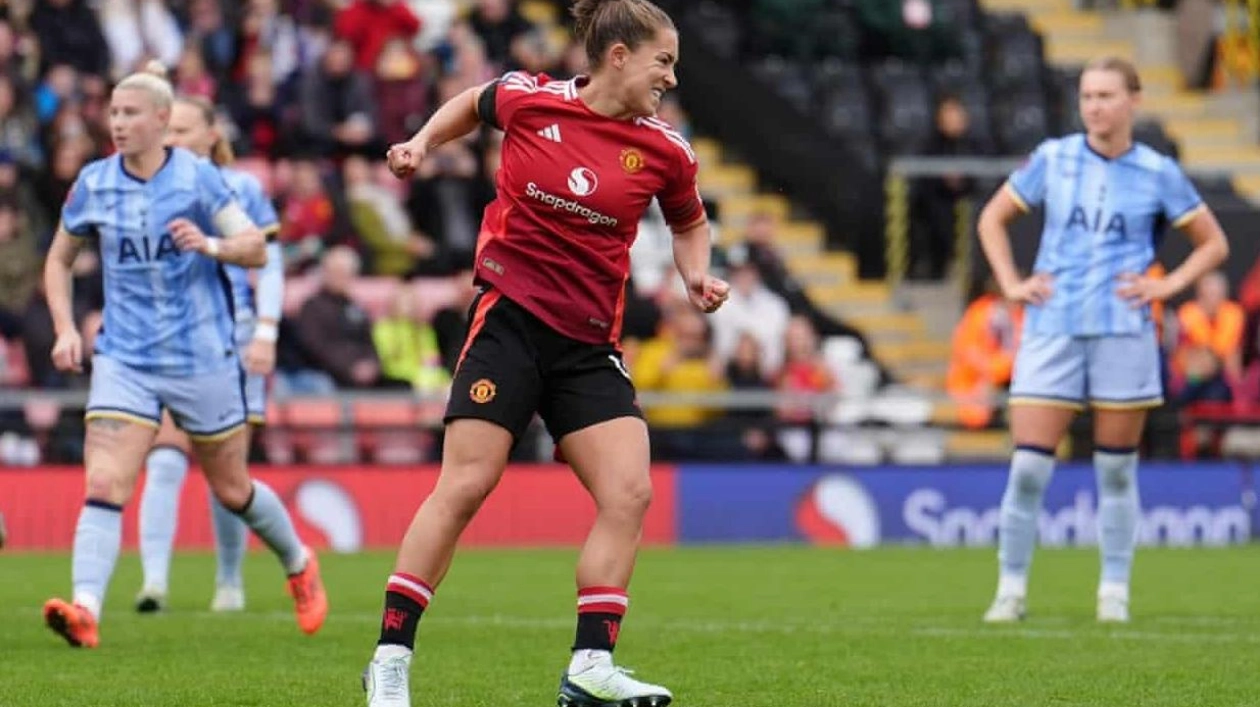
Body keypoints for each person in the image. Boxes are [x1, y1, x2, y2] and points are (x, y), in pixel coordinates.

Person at [362, 1, 729, 705]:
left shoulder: (666, 150)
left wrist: (695, 276)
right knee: (467, 483)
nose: (672, 78)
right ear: (618, 56)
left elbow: (690, 221)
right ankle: (390, 660)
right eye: (663, 61)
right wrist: (421, 144)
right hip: (510, 324)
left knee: (629, 491)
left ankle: (591, 664)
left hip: (589, 343)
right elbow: (469, 104)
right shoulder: (528, 99)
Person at [40, 62, 327, 649]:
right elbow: (58, 260)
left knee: (231, 489)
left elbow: (253, 250)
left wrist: (211, 244)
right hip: (125, 357)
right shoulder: (95, 182)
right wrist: (66, 327)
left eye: (130, 113)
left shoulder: (198, 180)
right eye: (113, 113)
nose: (117, 123)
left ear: (162, 120)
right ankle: (86, 607)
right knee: (105, 479)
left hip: (203, 357)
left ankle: (299, 562)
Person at [977, 57, 1229, 624]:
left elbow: (1212, 244)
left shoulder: (1157, 171)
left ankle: (1113, 590)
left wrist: (1167, 283)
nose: (1094, 106)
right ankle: (1010, 589)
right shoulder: (1053, 158)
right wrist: (1014, 285)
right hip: (1052, 327)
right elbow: (992, 219)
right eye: (1087, 96)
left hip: (1123, 331)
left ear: (1133, 102)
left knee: (1115, 469)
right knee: (1029, 468)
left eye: (1106, 95)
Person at [133, 91, 288, 614]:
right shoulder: (150, 186)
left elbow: (270, 260)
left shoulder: (242, 187)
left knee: (229, 473)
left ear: (211, 135)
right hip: (173, 342)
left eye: (181, 130)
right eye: (167, 130)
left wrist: (266, 331)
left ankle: (229, 581)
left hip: (234, 341)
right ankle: (153, 582)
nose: (171, 139)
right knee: (165, 454)